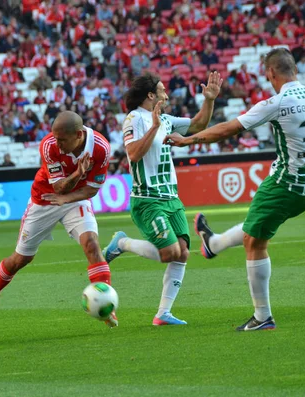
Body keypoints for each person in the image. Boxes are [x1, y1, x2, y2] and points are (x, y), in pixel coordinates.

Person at [165, 48, 305, 331]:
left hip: (285, 183)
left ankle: (262, 316)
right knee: (258, 224)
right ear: (296, 71)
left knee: (255, 241)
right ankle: (213, 244)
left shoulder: (277, 102)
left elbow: (230, 128)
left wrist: (188, 140)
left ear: (270, 74)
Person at [101, 72, 222, 326]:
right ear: (150, 95)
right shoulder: (134, 119)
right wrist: (154, 127)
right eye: (162, 90)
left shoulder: (166, 119)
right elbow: (133, 154)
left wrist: (209, 100)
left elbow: (199, 125)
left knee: (183, 253)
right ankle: (121, 243)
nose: (166, 94)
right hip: (148, 199)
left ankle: (163, 313)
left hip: (171, 198)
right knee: (169, 252)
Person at [0, 111, 116, 328]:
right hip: (44, 199)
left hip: (75, 199)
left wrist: (70, 196)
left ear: (79, 134)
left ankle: (105, 305)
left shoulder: (101, 148)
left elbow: (93, 189)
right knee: (20, 259)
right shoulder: (49, 145)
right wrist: (78, 174)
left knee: (91, 244)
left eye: (63, 140)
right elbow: (59, 188)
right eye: (56, 138)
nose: (58, 144)